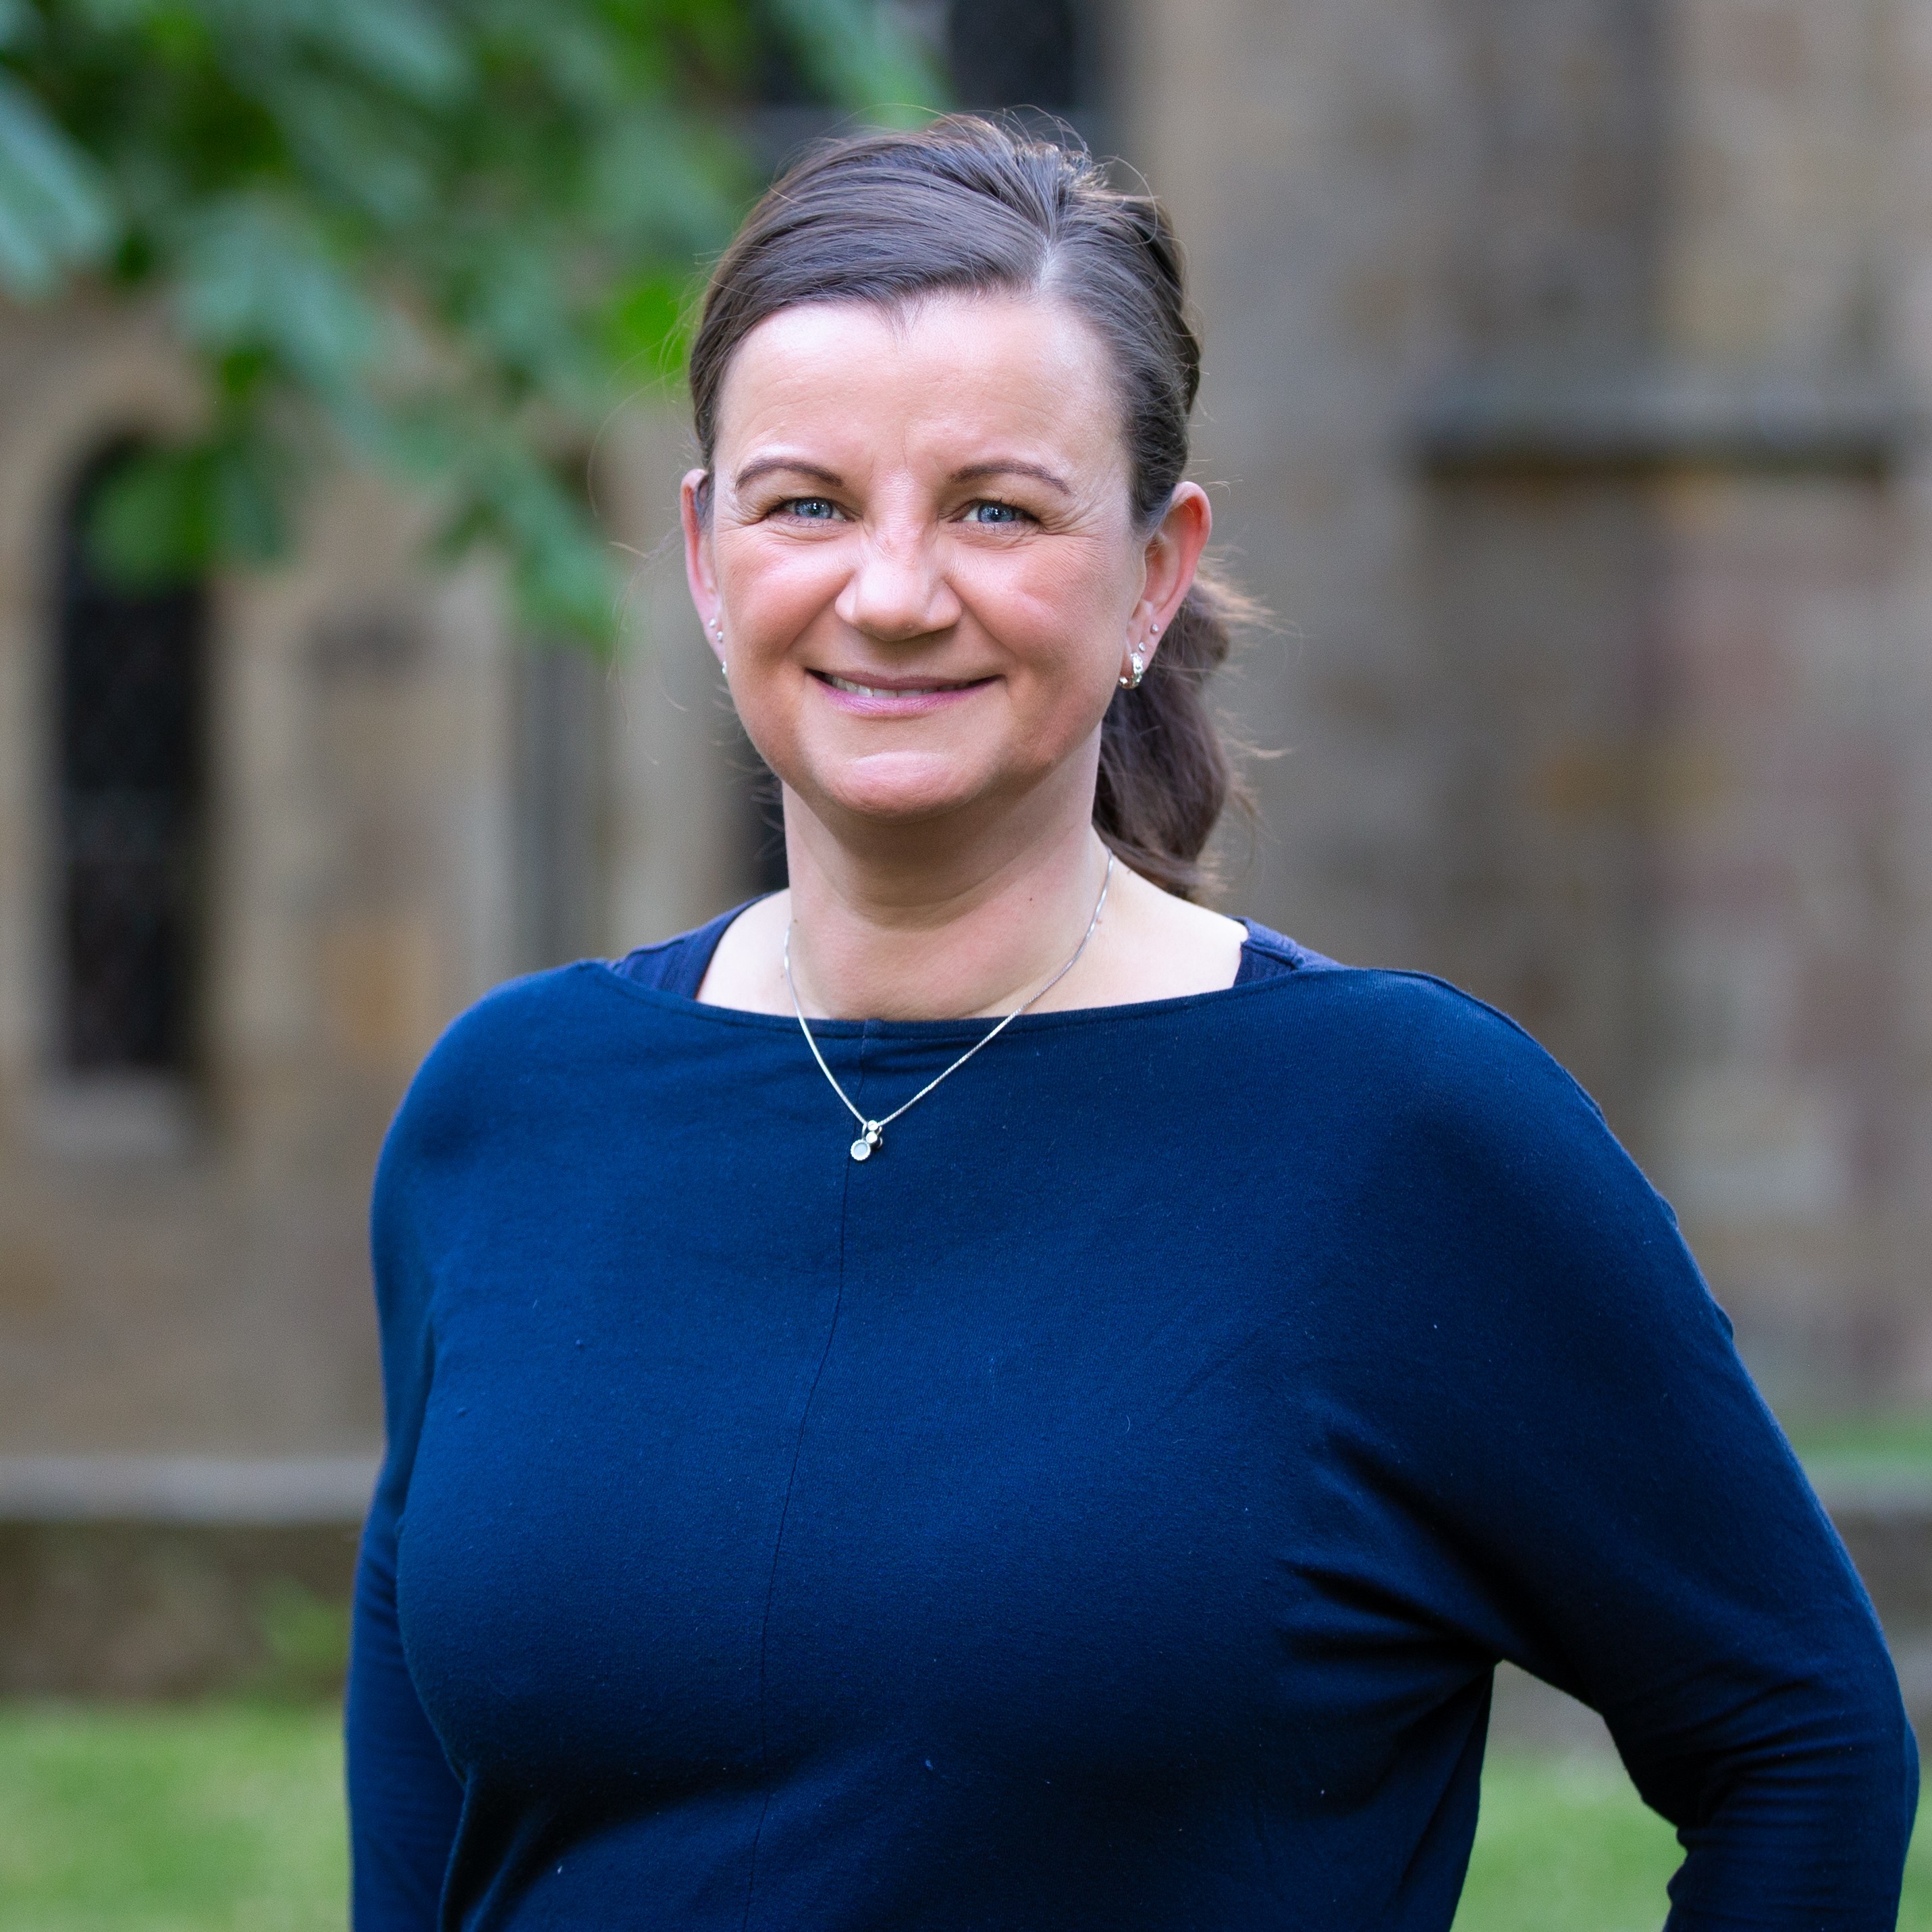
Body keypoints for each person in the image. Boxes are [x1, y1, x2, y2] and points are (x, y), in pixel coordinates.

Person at [346, 117, 1916, 1931]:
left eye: (997, 509)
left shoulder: (1396, 1136)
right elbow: (428, 1841)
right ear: (706, 557)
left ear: (1156, 574)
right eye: (808, 504)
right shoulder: (511, 1112)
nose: (893, 593)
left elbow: (1802, 1744)